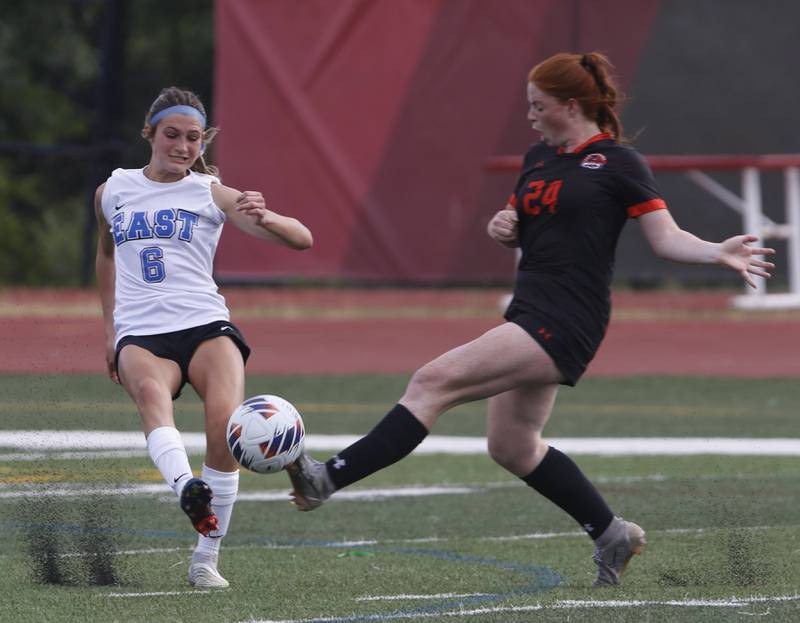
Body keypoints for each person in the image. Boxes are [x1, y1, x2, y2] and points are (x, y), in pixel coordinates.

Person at [285, 52, 776, 587]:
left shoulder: (618, 164)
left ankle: (326, 479)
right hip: (530, 308)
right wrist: (507, 227)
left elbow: (666, 237)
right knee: (512, 446)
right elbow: (530, 223)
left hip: (567, 317)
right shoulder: (538, 158)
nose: (531, 116)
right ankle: (612, 534)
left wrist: (716, 252)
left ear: (571, 104)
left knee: (431, 382)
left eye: (539, 106)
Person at [95, 86, 313, 588]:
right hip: (141, 330)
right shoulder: (114, 190)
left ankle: (204, 561)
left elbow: (303, 239)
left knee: (224, 432)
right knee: (152, 397)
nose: (183, 147)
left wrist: (266, 215)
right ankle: (187, 487)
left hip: (204, 323)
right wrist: (110, 329)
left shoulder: (208, 191)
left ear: (202, 144)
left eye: (194, 139)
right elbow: (106, 255)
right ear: (149, 134)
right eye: (172, 135)